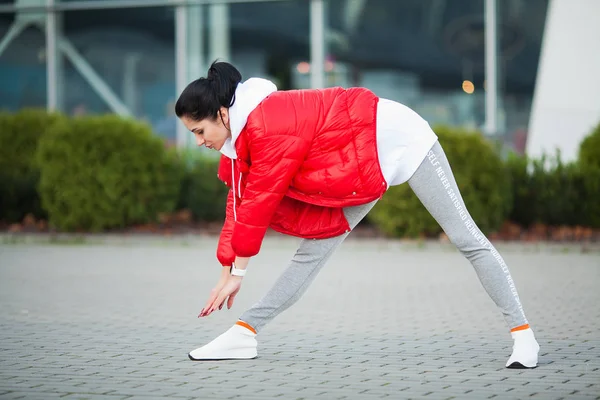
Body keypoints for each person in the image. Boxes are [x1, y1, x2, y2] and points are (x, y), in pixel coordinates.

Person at [175, 61, 540, 369]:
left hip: (395, 137)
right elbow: (238, 203)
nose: (198, 141)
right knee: (311, 253)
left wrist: (238, 273)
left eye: (200, 130)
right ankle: (243, 335)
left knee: (465, 237)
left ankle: (523, 336)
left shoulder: (265, 124)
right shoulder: (238, 140)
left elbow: (258, 203)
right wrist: (227, 270)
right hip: (355, 167)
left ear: (222, 113)